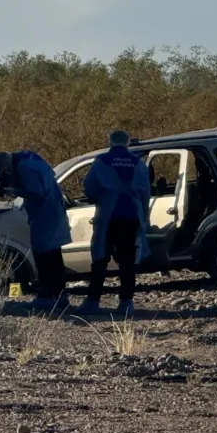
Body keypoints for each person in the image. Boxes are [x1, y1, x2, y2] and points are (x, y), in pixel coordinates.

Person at [77, 130, 152, 317]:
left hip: (108, 216)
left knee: (100, 258)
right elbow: (146, 192)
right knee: (127, 261)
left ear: (110, 142)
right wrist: (144, 217)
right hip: (131, 215)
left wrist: (99, 196)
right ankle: (126, 302)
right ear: (127, 142)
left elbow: (89, 187)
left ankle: (93, 301)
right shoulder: (138, 162)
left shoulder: (101, 161)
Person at [0, 149, 72, 312]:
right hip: (52, 209)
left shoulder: (23, 167)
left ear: (6, 166)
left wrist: (14, 190)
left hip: (44, 213)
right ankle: (60, 296)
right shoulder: (30, 158)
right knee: (54, 255)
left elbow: (37, 192)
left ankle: (46, 296)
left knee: (44, 255)